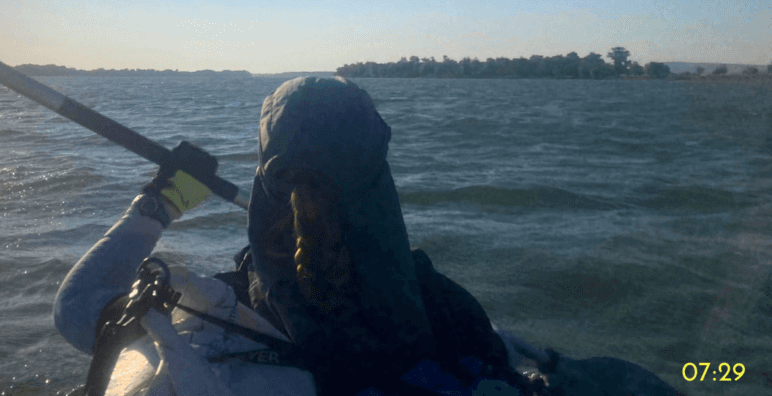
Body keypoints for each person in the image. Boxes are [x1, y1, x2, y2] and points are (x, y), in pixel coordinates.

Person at [54, 76, 528, 396]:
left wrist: (163, 200)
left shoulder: (207, 323)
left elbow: (75, 308)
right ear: (378, 183)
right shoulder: (452, 315)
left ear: (266, 178)